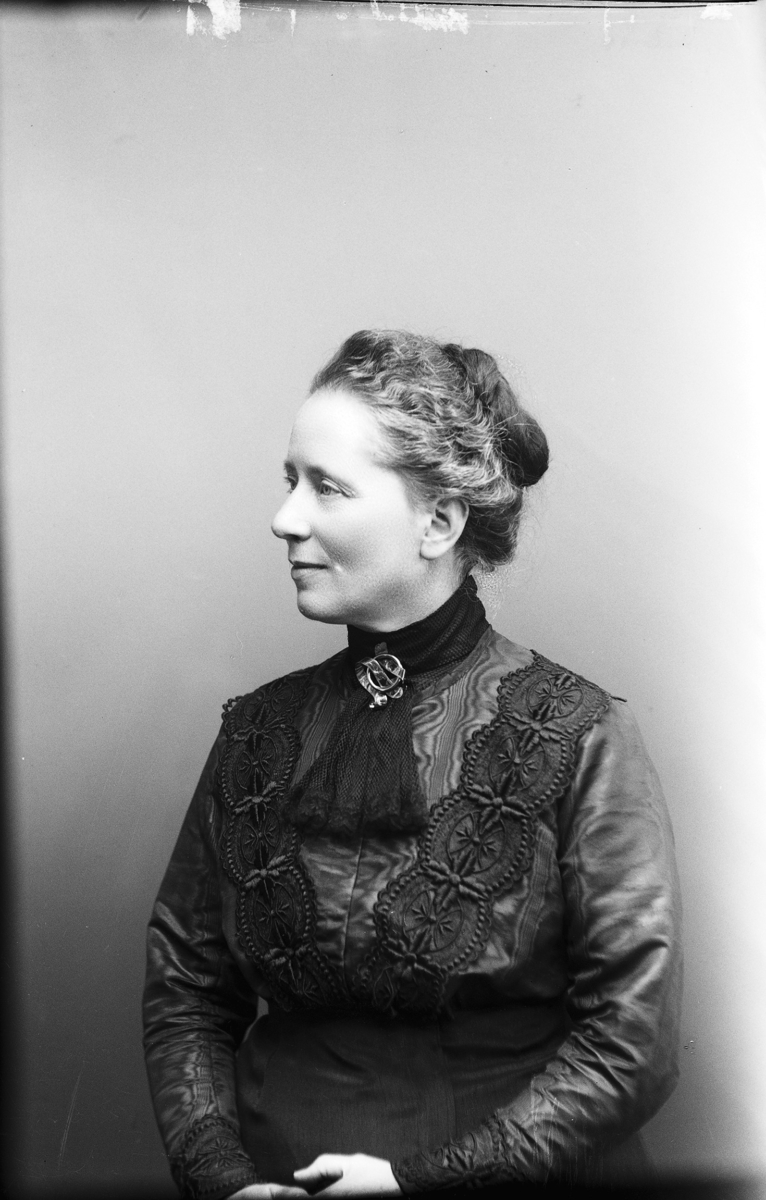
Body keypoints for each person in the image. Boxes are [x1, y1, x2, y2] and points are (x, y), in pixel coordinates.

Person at [143, 330, 682, 1200]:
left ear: (438, 522)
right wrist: (222, 1177)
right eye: (290, 480)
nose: (287, 518)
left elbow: (633, 1043)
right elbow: (187, 991)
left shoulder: (579, 733)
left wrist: (421, 1182)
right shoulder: (258, 731)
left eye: (328, 487)